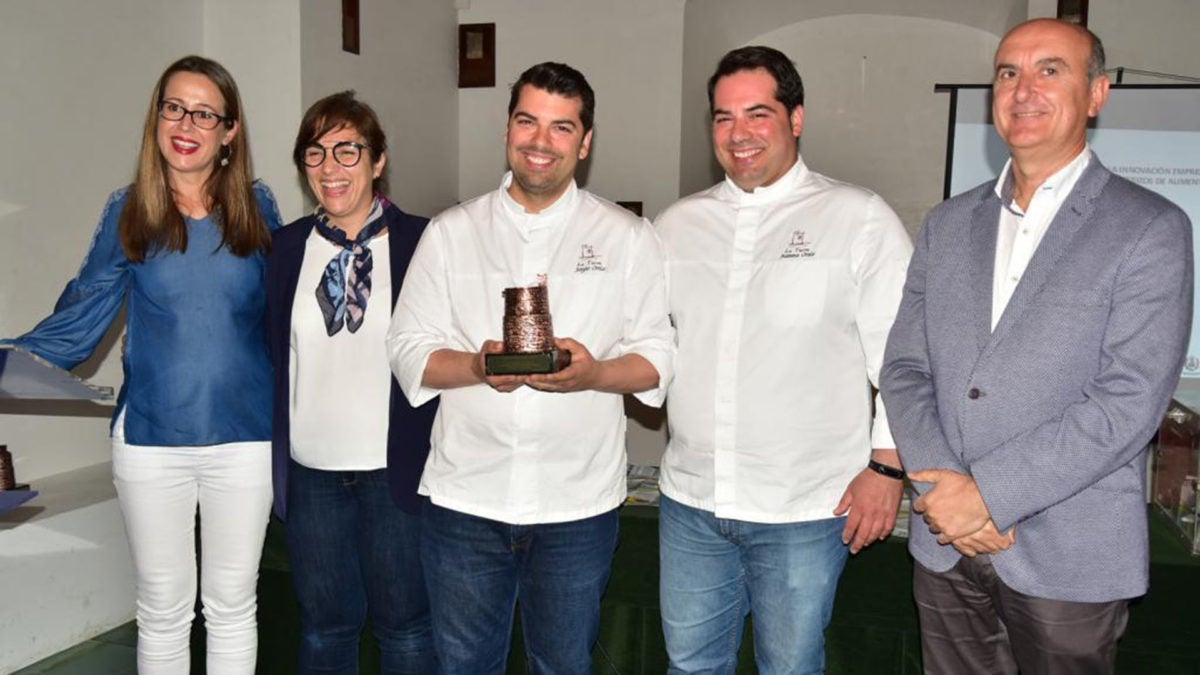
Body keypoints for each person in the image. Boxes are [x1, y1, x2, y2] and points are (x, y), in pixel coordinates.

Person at [880, 19, 1192, 674]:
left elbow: (1128, 401)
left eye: (1051, 70)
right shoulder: (948, 224)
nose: (1023, 89)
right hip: (944, 546)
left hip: (1068, 551)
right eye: (1008, 73)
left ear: (1098, 93)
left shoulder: (1151, 228)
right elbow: (906, 368)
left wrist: (990, 495)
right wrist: (948, 495)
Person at [386, 61, 674, 674]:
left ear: (586, 141)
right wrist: (476, 364)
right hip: (465, 500)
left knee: (563, 666)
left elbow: (655, 361)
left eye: (562, 127)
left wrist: (593, 374)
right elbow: (408, 348)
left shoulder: (628, 237)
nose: (541, 142)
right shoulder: (450, 232)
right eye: (528, 121)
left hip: (576, 505)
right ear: (507, 128)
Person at [8, 56, 283, 672]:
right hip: (151, 443)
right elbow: (80, 315)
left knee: (233, 605)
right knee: (162, 609)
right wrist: (7, 357)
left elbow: (288, 316)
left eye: (204, 113)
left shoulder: (258, 209)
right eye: (173, 106)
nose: (186, 123)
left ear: (229, 131)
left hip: (247, 440)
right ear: (157, 117)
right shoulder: (128, 209)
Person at [654, 45, 913, 674]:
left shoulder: (859, 219)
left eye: (758, 114)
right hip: (691, 505)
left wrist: (887, 469)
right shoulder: (676, 227)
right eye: (722, 117)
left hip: (804, 508)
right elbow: (644, 346)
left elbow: (904, 359)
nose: (738, 134)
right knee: (689, 667)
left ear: (796, 118)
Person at [265, 91, 437, 674]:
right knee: (324, 630)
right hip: (313, 475)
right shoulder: (284, 249)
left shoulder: (423, 242)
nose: (330, 168)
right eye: (315, 154)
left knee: (407, 628)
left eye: (347, 150)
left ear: (378, 160)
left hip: (396, 471)